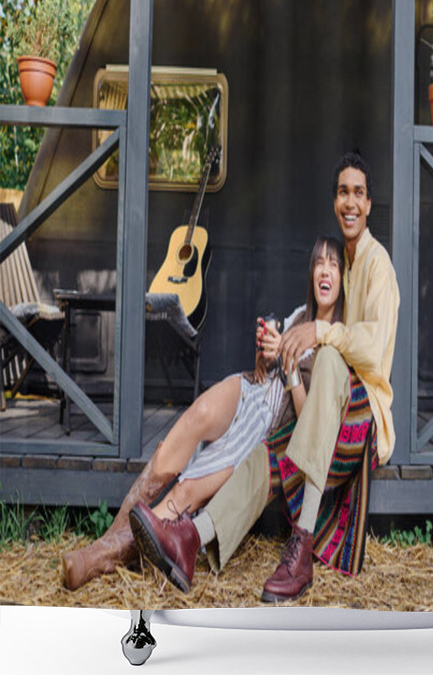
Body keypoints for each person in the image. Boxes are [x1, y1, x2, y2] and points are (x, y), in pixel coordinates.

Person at [130, 151, 400, 602]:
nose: (350, 202)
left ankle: (303, 547)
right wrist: (282, 356)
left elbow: (373, 349)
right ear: (335, 201)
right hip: (326, 416)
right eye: (342, 193)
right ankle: (189, 539)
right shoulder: (347, 266)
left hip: (363, 420)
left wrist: (322, 331)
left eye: (358, 193)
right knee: (267, 454)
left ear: (370, 204)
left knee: (332, 357)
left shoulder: (378, 265)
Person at [61, 236, 345, 591]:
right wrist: (265, 355)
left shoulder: (335, 345)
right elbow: (264, 372)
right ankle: (108, 537)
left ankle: (98, 559)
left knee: (188, 489)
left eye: (333, 264)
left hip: (268, 422)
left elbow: (309, 422)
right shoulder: (299, 316)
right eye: (319, 262)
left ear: (343, 278)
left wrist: (287, 367)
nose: (325, 270)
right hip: (253, 391)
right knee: (197, 414)